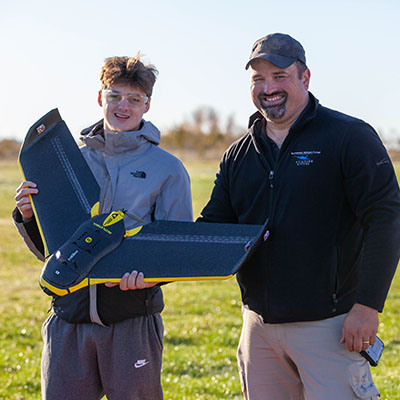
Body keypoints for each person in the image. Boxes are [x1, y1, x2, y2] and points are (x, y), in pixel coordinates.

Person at [198, 33, 400, 399]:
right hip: (258, 328)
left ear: (305, 78)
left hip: (331, 327)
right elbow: (213, 229)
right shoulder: (238, 155)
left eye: (279, 76)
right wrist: (154, 269)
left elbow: (386, 220)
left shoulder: (349, 137)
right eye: (258, 79)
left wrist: (368, 306)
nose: (268, 87)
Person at [14, 54, 193, 400]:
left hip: (131, 320)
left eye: (133, 98)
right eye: (114, 96)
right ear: (100, 98)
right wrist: (29, 216)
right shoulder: (67, 160)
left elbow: (176, 247)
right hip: (68, 318)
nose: (122, 106)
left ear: (147, 105)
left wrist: (151, 276)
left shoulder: (168, 169)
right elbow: (49, 252)